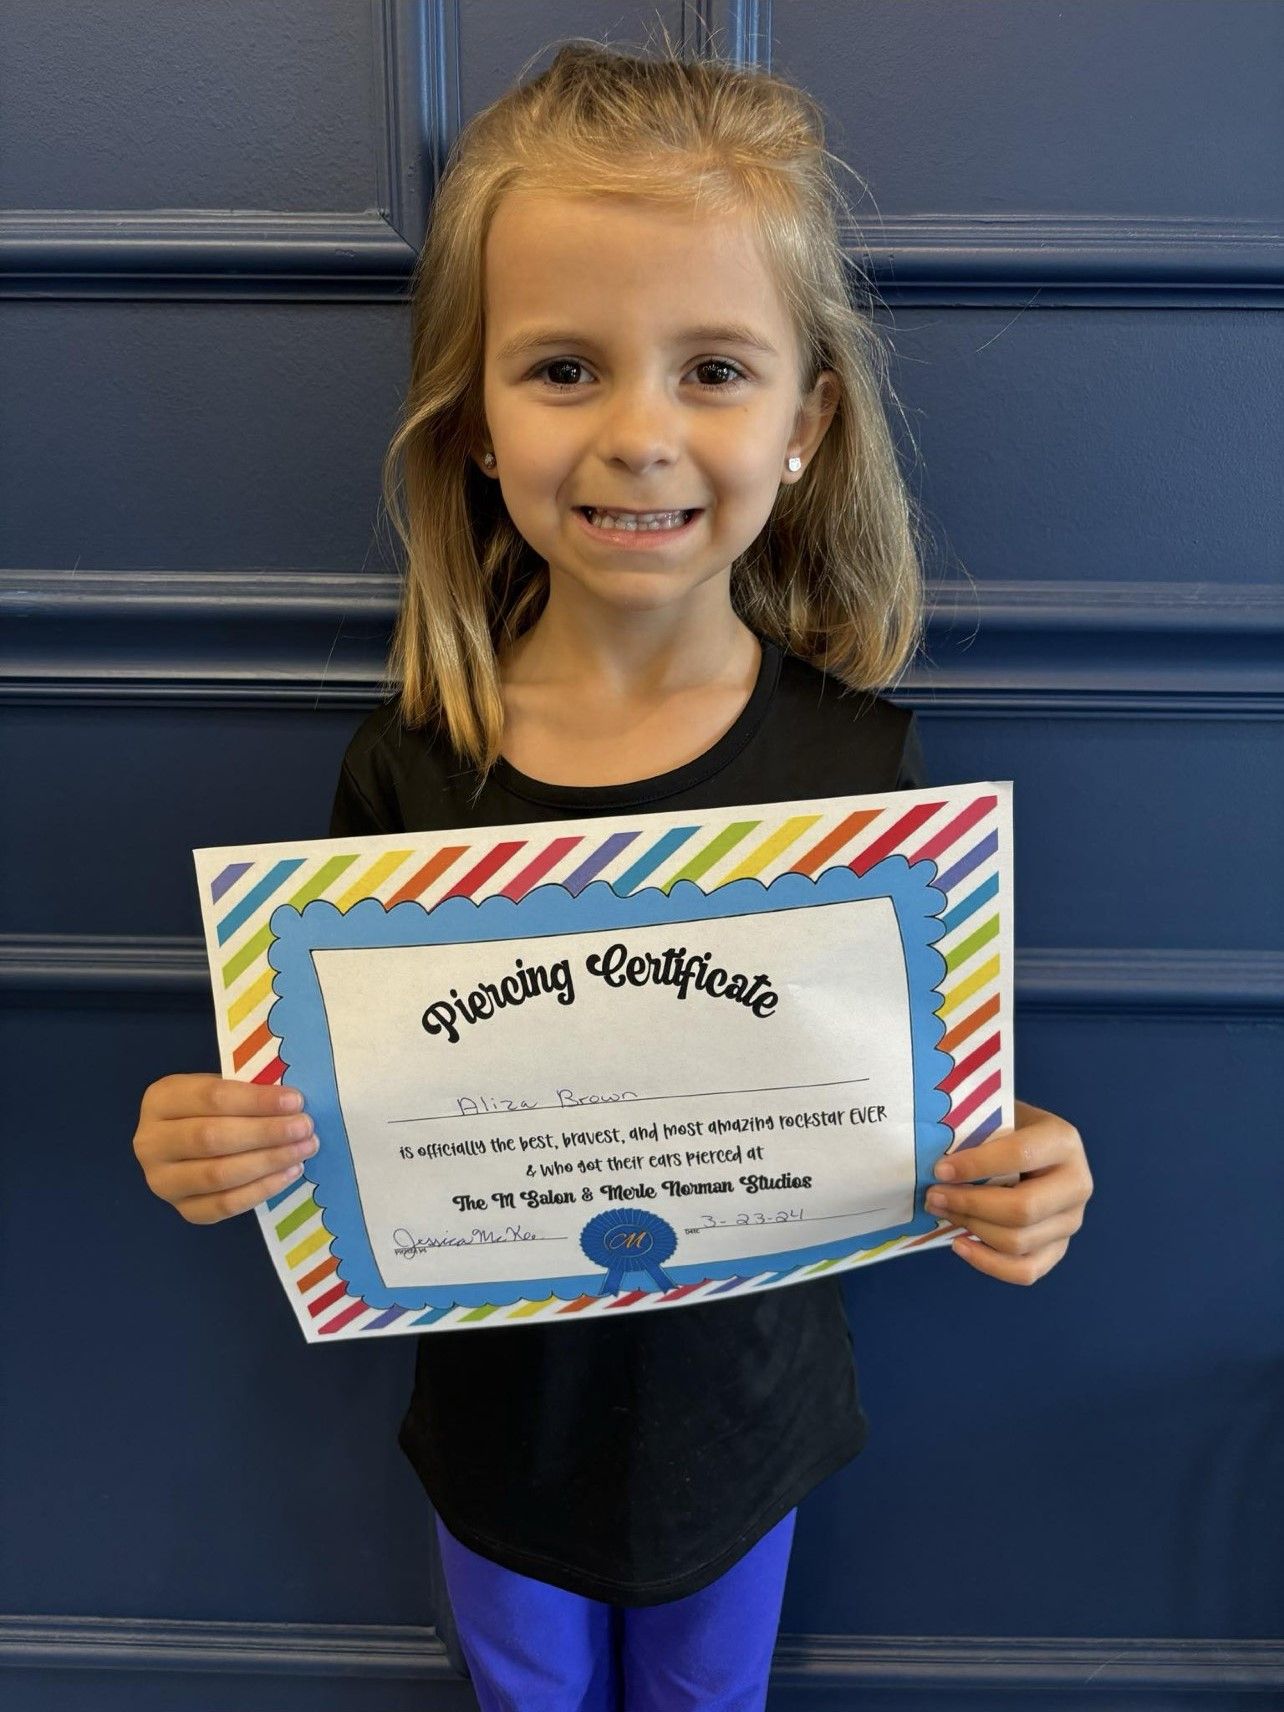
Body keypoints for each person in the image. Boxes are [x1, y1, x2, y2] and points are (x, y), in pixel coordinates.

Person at [132, 34, 1094, 1712]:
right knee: (524, 1694)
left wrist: (1024, 1175)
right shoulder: (410, 771)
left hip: (749, 1419)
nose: (641, 433)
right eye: (564, 368)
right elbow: (325, 1110)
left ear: (810, 422)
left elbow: (934, 1102)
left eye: (713, 368)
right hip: (501, 1431)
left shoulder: (859, 775)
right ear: (474, 420)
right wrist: (218, 1140)